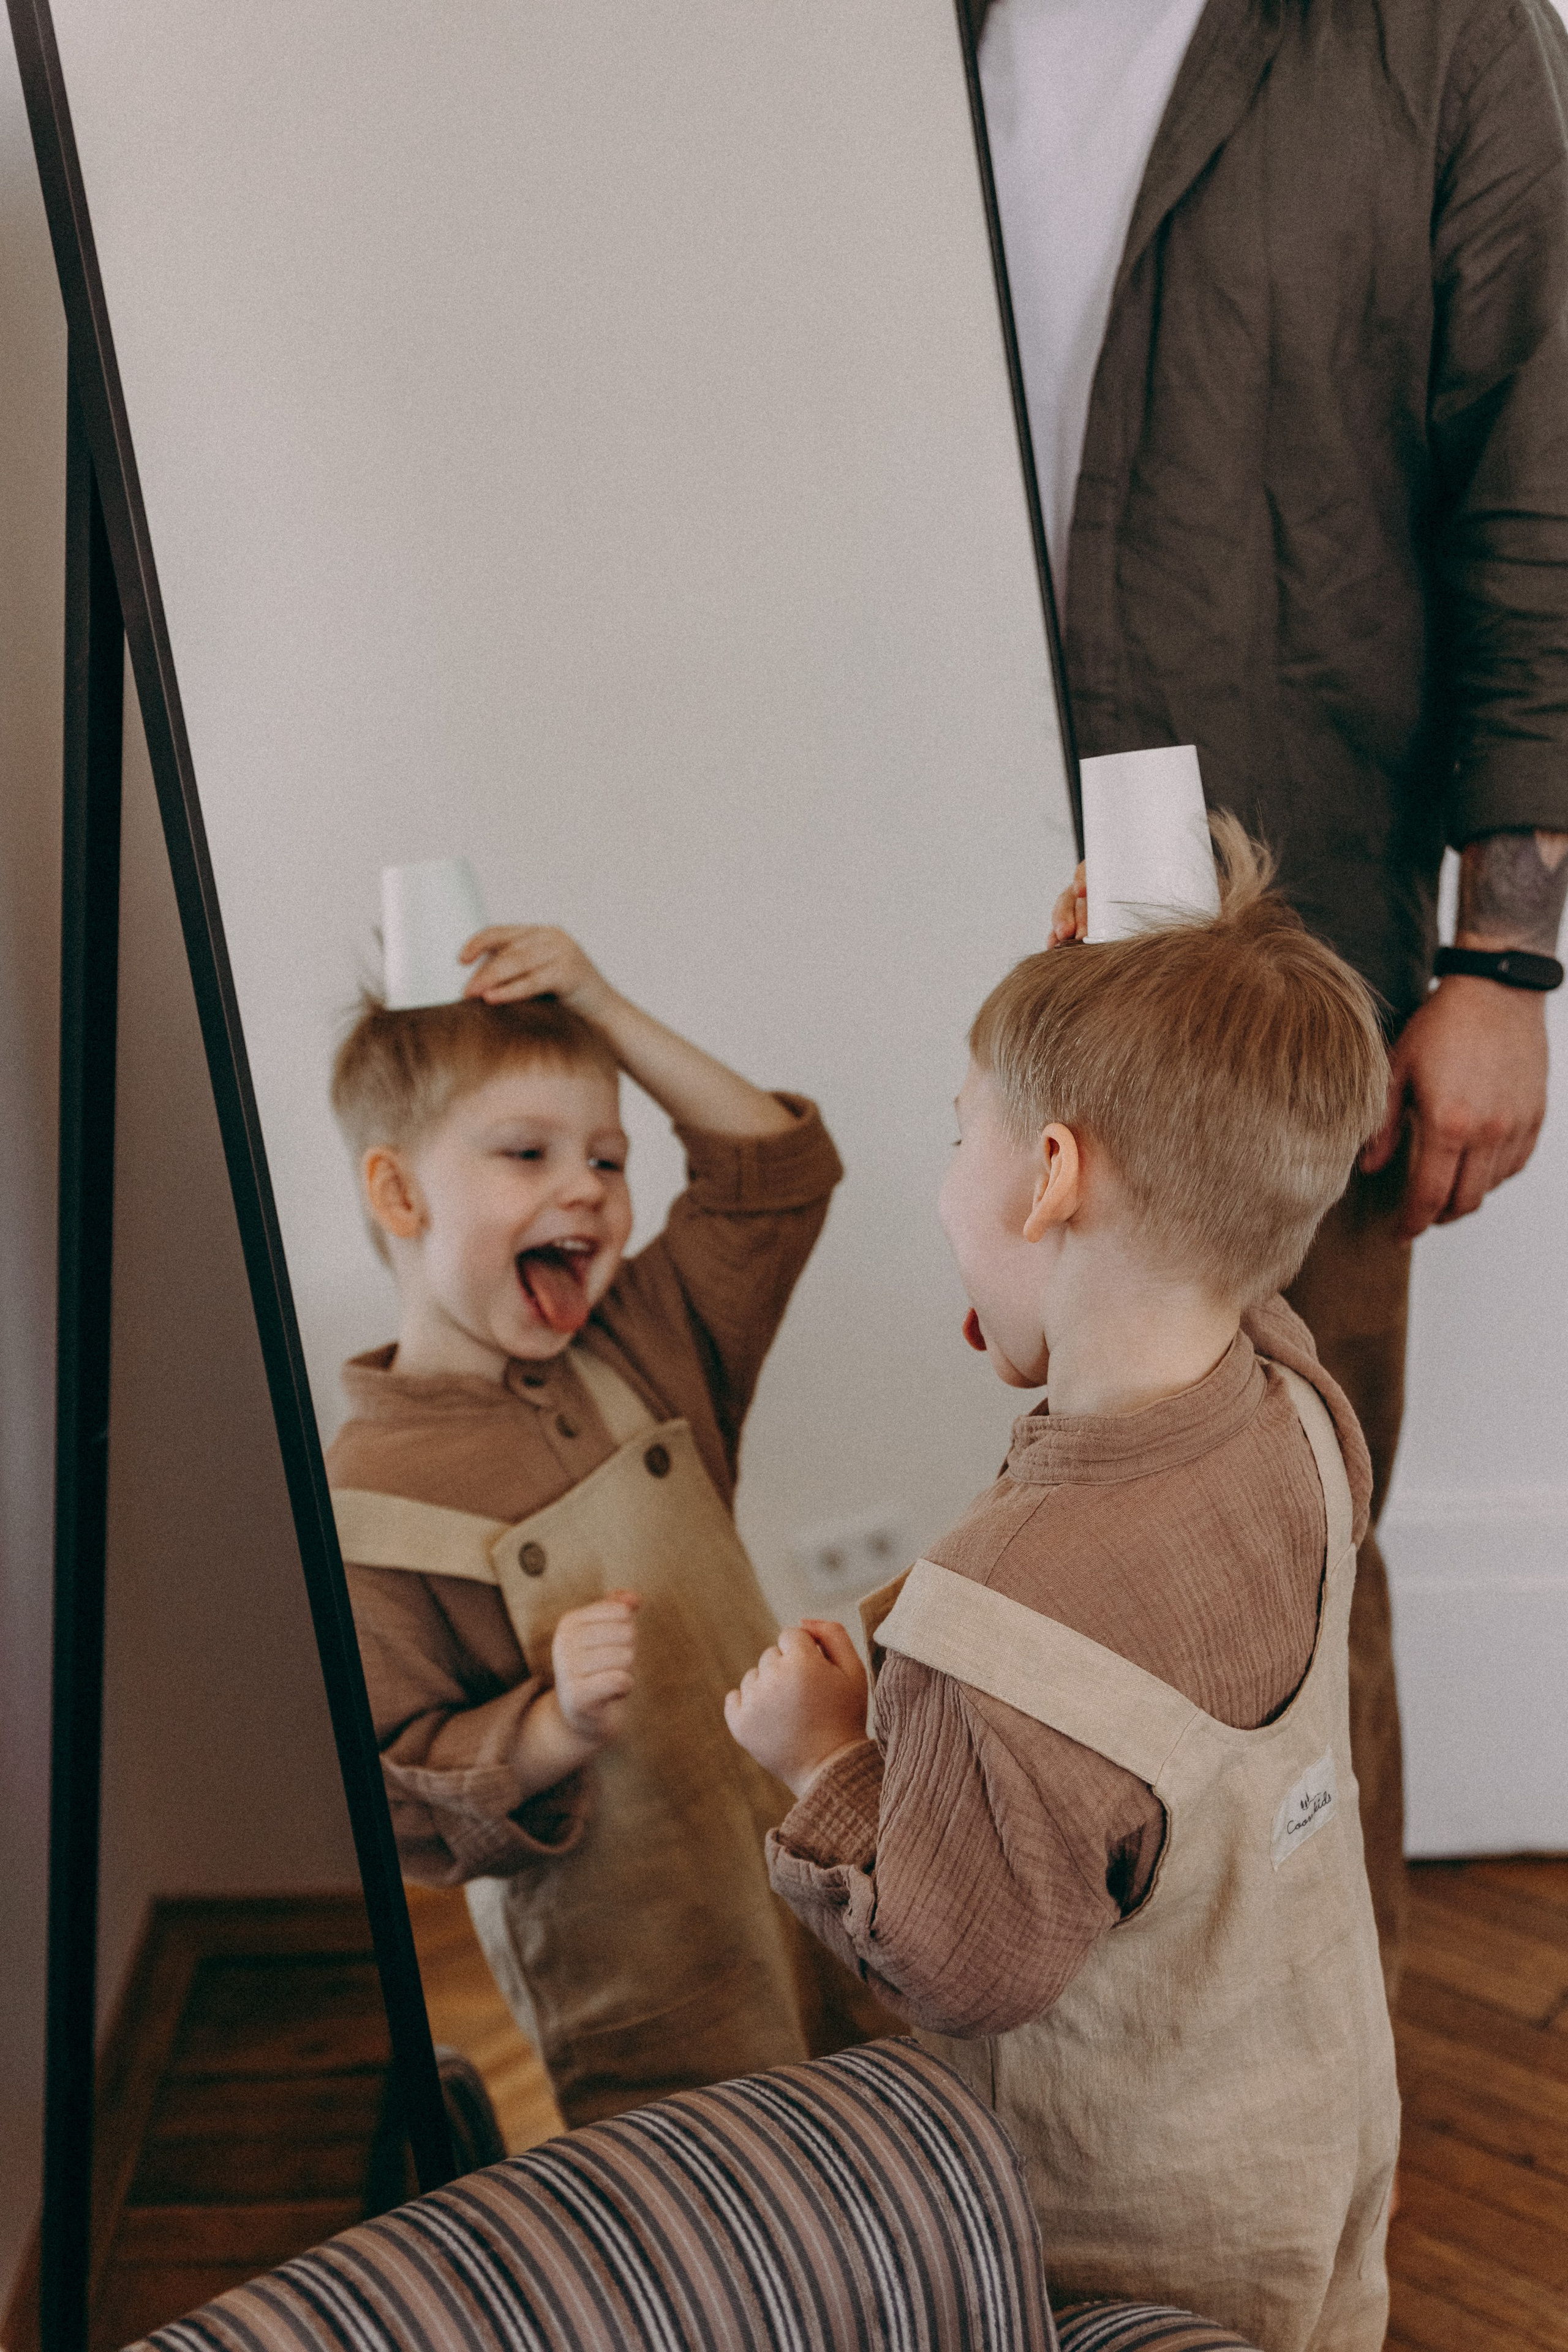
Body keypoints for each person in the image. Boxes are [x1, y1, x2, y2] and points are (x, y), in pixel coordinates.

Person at [968, 0, 1568, 1999]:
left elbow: (1539, 496)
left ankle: (1317, 2133)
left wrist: (1502, 952)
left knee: (1279, 1559)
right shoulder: (870, 48)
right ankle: (992, 2126)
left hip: (1271, 973)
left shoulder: (1438, 36)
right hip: (915, 884)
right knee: (932, 1513)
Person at [727, 828, 1401, 2351]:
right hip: (1318, 2116)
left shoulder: (1004, 1602)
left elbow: (961, 1966)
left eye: (960, 1133)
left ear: (1048, 1176)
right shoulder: (1290, 1392)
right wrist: (1138, 998)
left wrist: (827, 1763)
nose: (950, 1178)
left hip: (1128, 2214)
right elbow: (1216, 1197)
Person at [326, 924, 887, 2128]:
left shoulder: (641, 1341)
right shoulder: (371, 1500)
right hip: (634, 1975)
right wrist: (549, 1725)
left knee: (874, 2129)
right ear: (397, 1189)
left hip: (809, 1868)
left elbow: (775, 1167)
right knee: (726, 2223)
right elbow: (403, 1794)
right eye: (526, 1152)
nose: (584, 1185)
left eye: (608, 1157)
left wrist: (603, 1004)